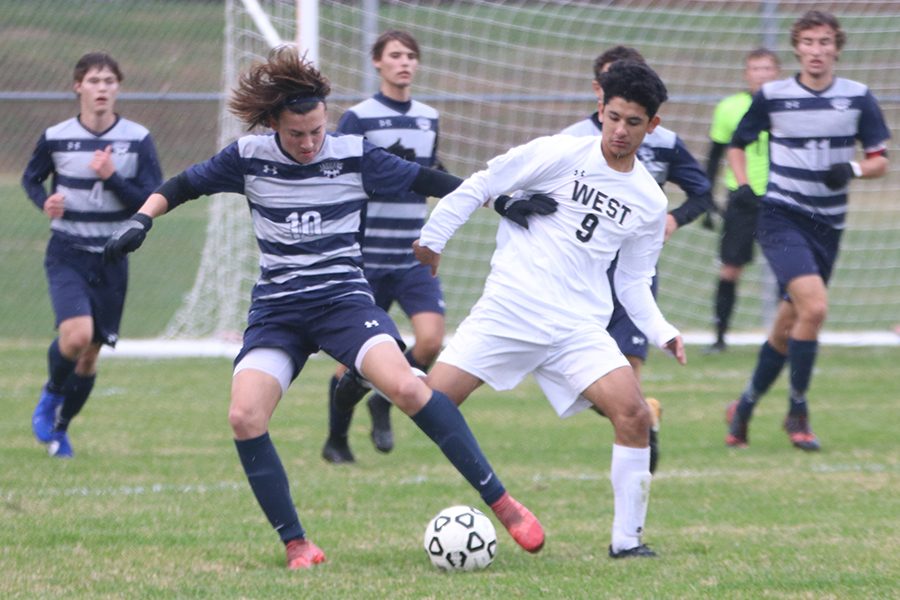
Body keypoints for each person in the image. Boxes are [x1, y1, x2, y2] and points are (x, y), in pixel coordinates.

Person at [103, 46, 551, 570]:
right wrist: (141, 220)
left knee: (408, 385)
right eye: (297, 134)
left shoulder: (352, 153)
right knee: (244, 416)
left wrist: (500, 200)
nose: (311, 142)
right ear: (273, 123)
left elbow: (427, 179)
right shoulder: (247, 156)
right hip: (278, 313)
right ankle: (297, 544)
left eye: (317, 130)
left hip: (343, 301)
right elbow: (181, 186)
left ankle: (503, 503)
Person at [414, 60, 686, 559]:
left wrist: (660, 329)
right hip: (510, 309)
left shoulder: (648, 199)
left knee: (632, 414)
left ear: (653, 126)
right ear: (600, 108)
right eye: (614, 117)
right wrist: (433, 239)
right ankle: (370, 376)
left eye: (633, 123)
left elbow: (632, 279)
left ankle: (627, 543)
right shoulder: (559, 153)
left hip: (576, 327)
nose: (620, 132)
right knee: (429, 405)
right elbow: (483, 183)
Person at [725, 10, 890, 451]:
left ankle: (742, 407)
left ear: (837, 48)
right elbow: (737, 144)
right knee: (814, 309)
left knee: (788, 323)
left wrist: (851, 168)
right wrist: (744, 186)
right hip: (781, 214)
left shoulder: (857, 98)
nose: (817, 51)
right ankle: (797, 408)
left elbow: (880, 160)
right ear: (796, 47)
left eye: (825, 43)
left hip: (828, 224)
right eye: (809, 42)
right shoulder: (774, 95)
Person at [561, 45, 712, 472]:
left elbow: (701, 193)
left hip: (631, 278)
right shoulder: (571, 141)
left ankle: (635, 461)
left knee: (625, 377)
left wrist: (672, 219)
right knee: (583, 382)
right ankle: (645, 418)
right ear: (600, 92)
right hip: (577, 277)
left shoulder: (662, 142)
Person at [22, 52, 163, 458]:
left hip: (112, 256)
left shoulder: (137, 139)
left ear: (117, 88)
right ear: (78, 86)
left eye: (108, 81)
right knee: (77, 336)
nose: (102, 88)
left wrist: (111, 176)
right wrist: (45, 201)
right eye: (94, 81)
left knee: (90, 356)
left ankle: (60, 429)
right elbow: (31, 179)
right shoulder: (56, 136)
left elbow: (151, 199)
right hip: (67, 250)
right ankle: (50, 397)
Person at [322, 30, 447, 463]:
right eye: (395, 55)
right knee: (350, 360)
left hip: (412, 255)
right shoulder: (358, 118)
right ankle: (336, 440)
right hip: (365, 260)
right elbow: (340, 178)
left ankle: (383, 399)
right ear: (377, 62)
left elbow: (431, 173)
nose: (404, 62)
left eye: (411, 56)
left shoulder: (429, 117)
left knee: (431, 340)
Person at [705, 48, 781, 353]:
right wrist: (707, 199)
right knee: (730, 268)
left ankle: (784, 337)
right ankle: (720, 337)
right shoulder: (729, 108)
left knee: (786, 269)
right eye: (755, 69)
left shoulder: (787, 106)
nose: (761, 74)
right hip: (742, 198)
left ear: (777, 73)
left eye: (767, 69)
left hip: (780, 195)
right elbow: (715, 155)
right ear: (746, 73)